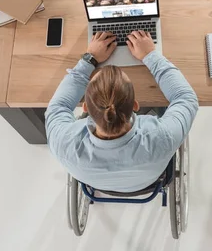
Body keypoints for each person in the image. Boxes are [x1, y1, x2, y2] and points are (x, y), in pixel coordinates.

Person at [45, 30, 199, 193]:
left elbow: (58, 106)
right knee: (166, 107)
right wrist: (150, 55)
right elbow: (186, 97)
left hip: (100, 186)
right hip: (148, 181)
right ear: (135, 105)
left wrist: (90, 59)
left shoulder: (62, 142)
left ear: (85, 108)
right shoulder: (162, 137)